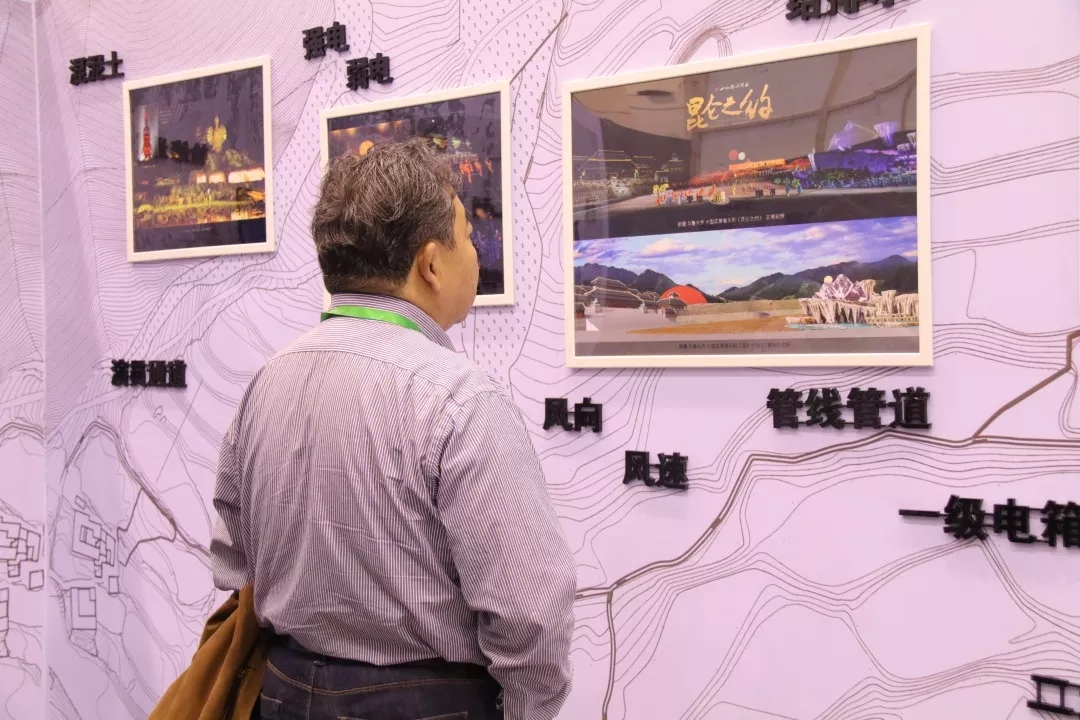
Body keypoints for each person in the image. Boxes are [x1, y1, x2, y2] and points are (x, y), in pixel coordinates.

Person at [209, 138, 576, 720]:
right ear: (430, 264)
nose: (476, 253)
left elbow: (233, 559)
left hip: (282, 692)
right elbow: (530, 613)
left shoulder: (269, 380)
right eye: (468, 237)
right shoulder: (459, 397)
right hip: (426, 703)